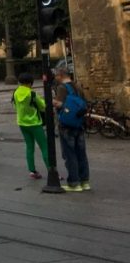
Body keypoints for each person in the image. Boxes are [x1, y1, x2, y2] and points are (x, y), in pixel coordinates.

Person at [54, 64, 90, 192]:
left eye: (57, 75)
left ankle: (74, 183)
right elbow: (84, 103)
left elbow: (59, 104)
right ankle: (85, 181)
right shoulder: (78, 86)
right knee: (81, 153)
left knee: (70, 154)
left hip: (67, 124)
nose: (56, 77)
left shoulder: (62, 88)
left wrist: (53, 102)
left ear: (61, 75)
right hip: (79, 123)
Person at [13, 71, 49, 179]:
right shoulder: (32, 94)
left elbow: (16, 107)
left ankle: (32, 170)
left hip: (22, 123)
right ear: (30, 83)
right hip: (34, 123)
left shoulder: (15, 92)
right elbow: (42, 106)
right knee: (44, 147)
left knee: (29, 147)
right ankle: (51, 170)